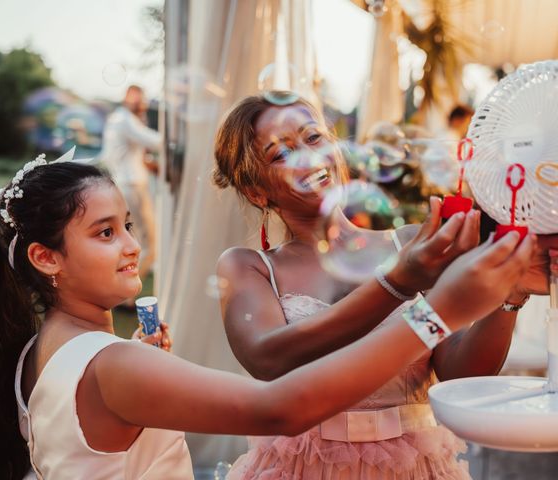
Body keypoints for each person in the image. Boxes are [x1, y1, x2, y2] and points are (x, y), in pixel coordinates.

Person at [0, 154, 533, 479]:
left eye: (128, 226)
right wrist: (437, 312)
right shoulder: (113, 364)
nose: (132, 245)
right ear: (45, 257)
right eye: (104, 233)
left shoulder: (42, 350)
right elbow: (279, 408)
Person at [212, 95, 554, 479]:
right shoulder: (250, 266)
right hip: (302, 467)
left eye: (313, 137)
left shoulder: (409, 244)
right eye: (280, 154)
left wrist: (509, 293)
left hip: (414, 466)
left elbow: (460, 373)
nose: (308, 157)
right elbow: (269, 358)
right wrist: (397, 282)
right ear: (257, 192)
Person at [101, 85, 160, 280]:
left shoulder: (119, 119)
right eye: (138, 99)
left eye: (142, 99)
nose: (141, 103)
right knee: (149, 243)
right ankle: (127, 296)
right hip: (133, 187)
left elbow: (130, 154)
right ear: (127, 98)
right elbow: (156, 141)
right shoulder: (125, 119)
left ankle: (122, 287)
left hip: (124, 184)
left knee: (132, 240)